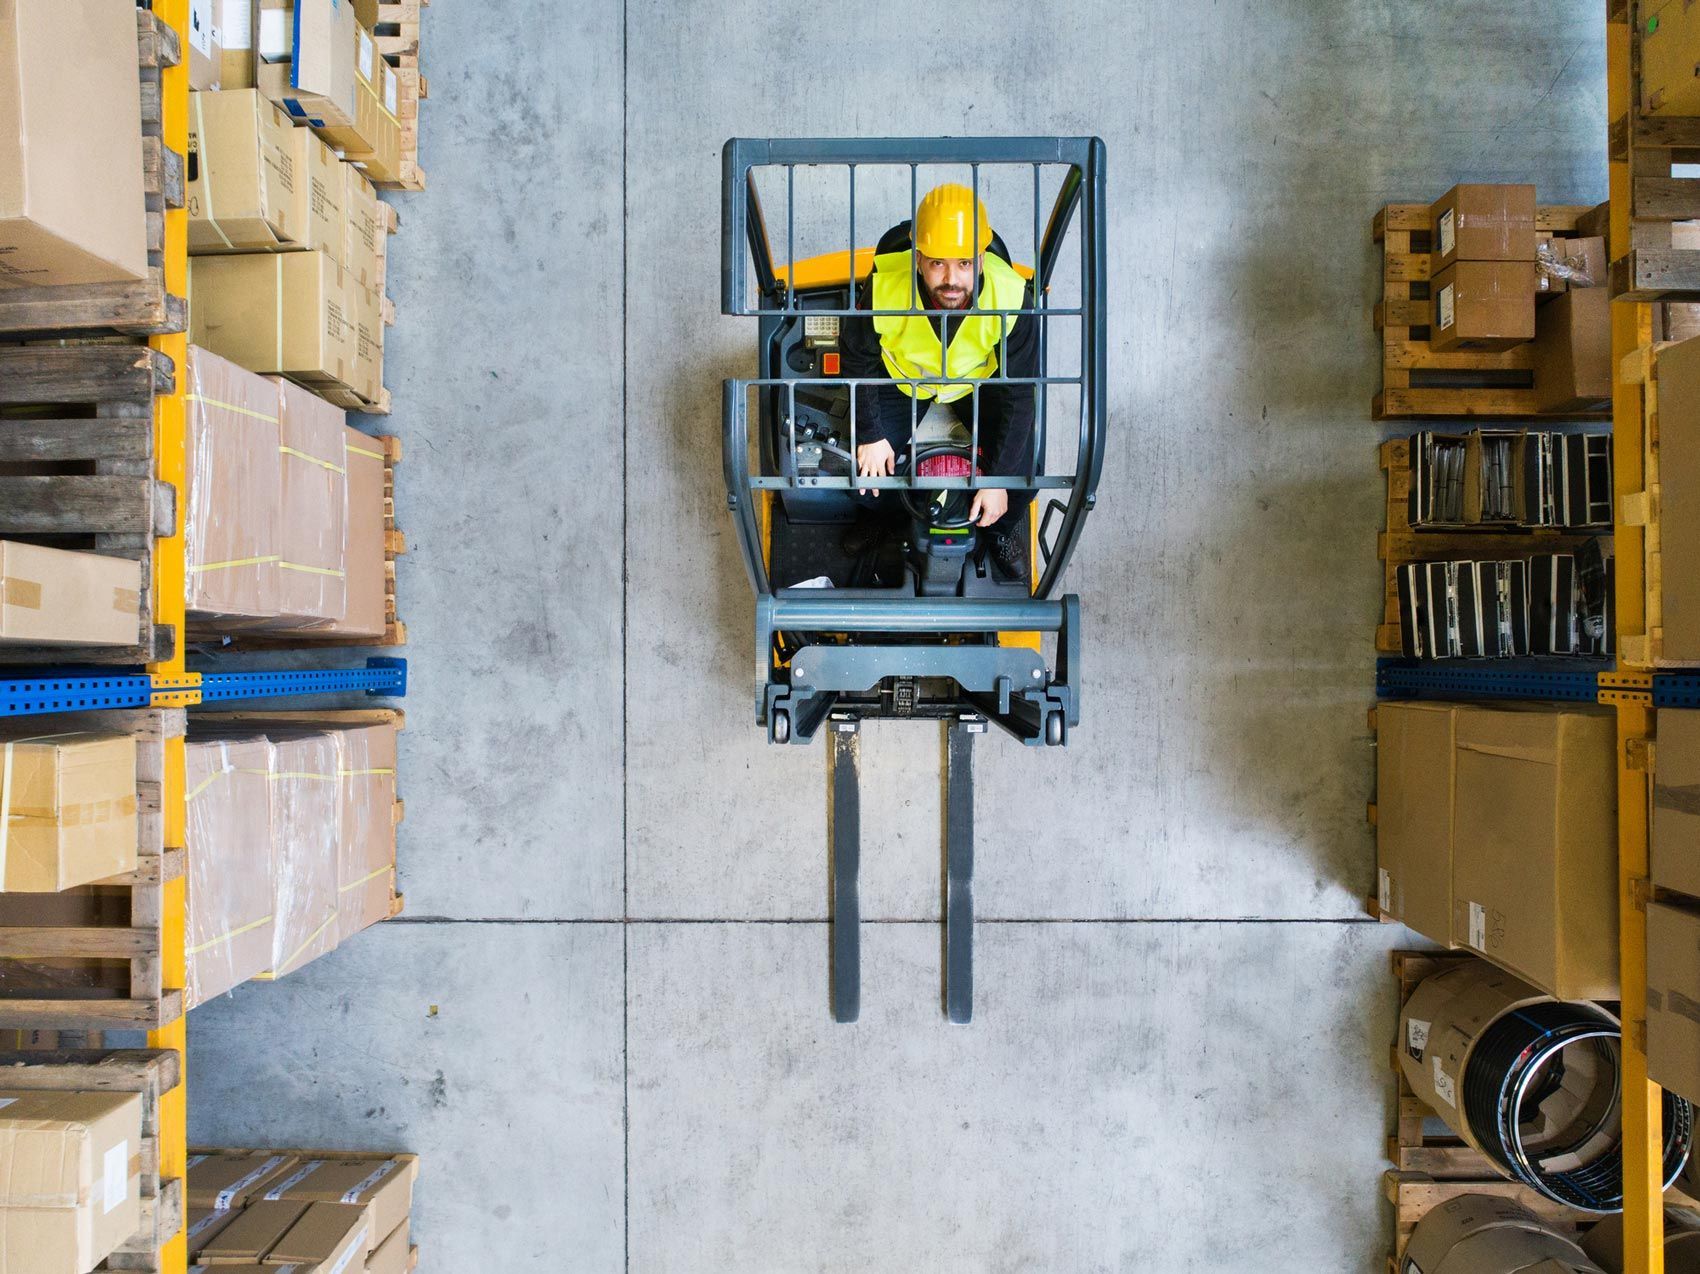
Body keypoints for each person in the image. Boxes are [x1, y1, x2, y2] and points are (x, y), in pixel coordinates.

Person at [837, 183, 1039, 580]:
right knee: (858, 472)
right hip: (903, 382)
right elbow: (857, 357)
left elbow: (1020, 392)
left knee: (1024, 473)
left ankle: (997, 528)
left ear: (981, 260)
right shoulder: (882, 287)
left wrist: (996, 479)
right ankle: (886, 521)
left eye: (964, 263)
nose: (951, 279)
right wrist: (871, 434)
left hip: (972, 386)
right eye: (937, 264)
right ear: (918, 259)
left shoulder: (1013, 297)